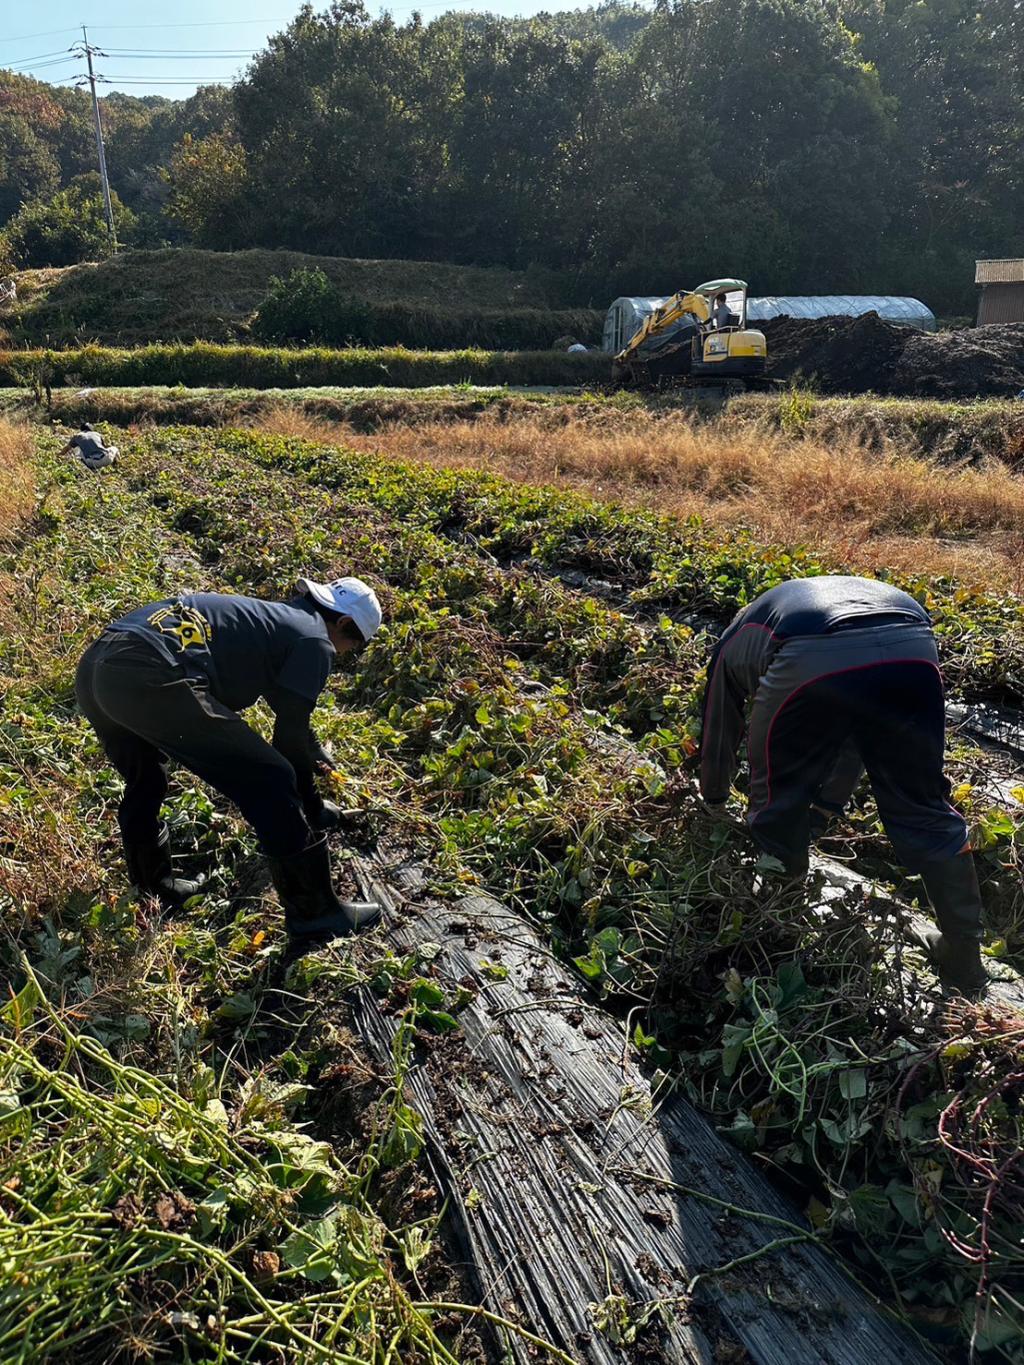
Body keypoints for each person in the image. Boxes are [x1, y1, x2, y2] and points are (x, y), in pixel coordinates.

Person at [699, 575, 986, 994]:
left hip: (809, 652)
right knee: (922, 804)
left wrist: (713, 798)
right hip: (914, 647)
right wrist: (826, 808)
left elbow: (719, 727)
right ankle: (964, 955)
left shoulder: (732, 642)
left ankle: (779, 932)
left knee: (776, 799)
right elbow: (853, 733)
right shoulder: (791, 604)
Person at [75, 576, 384, 945]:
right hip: (150, 671)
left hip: (100, 664)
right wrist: (312, 807)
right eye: (352, 645)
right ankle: (316, 913)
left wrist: (313, 747)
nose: (344, 654)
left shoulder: (276, 619)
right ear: (344, 623)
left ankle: (154, 889)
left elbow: (288, 707)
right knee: (271, 777)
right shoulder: (315, 642)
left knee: (146, 777)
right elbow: (288, 743)